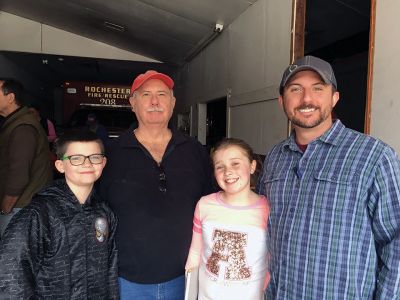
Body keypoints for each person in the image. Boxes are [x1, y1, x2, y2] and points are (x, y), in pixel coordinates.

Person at [257, 55, 400, 299]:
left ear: (334, 98)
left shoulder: (374, 156)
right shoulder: (274, 157)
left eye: (318, 88)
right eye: (295, 89)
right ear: (282, 101)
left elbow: (395, 242)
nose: (307, 99)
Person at [99, 70, 214, 299]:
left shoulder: (195, 151)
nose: (154, 102)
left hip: (187, 277)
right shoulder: (110, 154)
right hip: (128, 280)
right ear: (133, 103)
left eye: (162, 94)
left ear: (172, 103)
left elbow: (214, 206)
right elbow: (94, 213)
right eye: (146, 95)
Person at [0, 130, 118, 299]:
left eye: (95, 157)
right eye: (76, 158)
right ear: (60, 165)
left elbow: (110, 271)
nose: (87, 164)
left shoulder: (104, 213)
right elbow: (11, 273)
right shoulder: (39, 214)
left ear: (103, 162)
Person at [185, 138, 269, 300]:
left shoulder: (266, 209)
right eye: (220, 167)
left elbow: (272, 259)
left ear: (252, 166)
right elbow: (196, 251)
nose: (227, 171)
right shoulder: (205, 205)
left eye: (235, 163)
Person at [0, 78, 52, 237]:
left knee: (13, 257)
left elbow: (19, 175)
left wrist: (5, 208)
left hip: (20, 207)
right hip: (22, 205)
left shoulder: (23, 128)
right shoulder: (15, 122)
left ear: (10, 98)